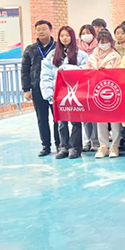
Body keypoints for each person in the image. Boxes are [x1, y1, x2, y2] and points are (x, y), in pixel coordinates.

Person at [40, 26, 89, 159]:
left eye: (67, 35)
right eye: (62, 36)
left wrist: (68, 68)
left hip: (75, 92)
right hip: (58, 93)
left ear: (72, 37)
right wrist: (48, 92)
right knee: (61, 122)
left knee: (75, 121)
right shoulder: (52, 55)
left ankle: (75, 147)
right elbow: (46, 75)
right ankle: (64, 147)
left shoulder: (81, 55)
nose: (65, 38)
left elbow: (85, 70)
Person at [22, 20, 59, 156]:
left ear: (50, 30)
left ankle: (60, 145)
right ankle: (45, 145)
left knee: (58, 118)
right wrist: (26, 89)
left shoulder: (58, 47)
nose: (41, 32)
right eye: (38, 29)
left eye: (44, 29)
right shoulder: (30, 49)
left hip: (55, 88)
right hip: (37, 88)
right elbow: (25, 70)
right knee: (41, 118)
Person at [87, 29, 123, 158]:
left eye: (107, 41)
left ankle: (115, 145)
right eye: (102, 42)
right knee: (100, 119)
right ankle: (103, 146)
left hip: (112, 90)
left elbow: (119, 73)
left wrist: (106, 72)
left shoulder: (115, 55)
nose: (104, 44)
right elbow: (87, 72)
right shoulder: (92, 56)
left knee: (114, 119)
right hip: (96, 90)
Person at [76, 24, 99, 151]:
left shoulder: (98, 47)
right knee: (84, 114)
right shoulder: (77, 49)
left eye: (88, 32)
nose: (86, 35)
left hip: (95, 84)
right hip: (82, 85)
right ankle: (87, 140)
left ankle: (95, 141)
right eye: (83, 33)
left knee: (94, 114)